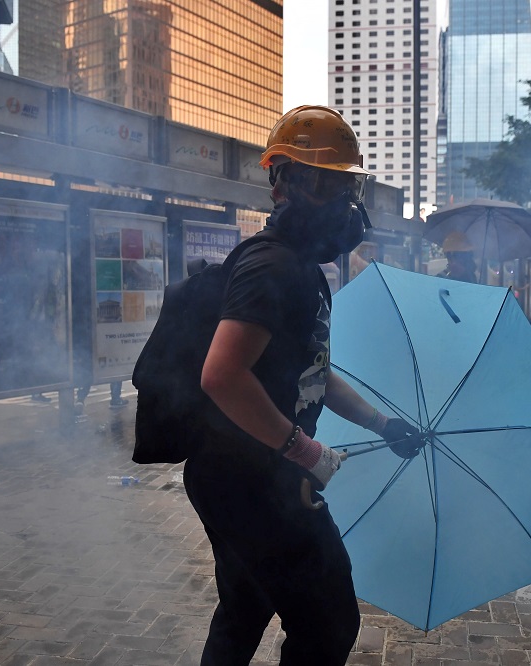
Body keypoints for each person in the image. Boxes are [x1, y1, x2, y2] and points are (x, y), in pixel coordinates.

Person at [185, 105, 419, 665]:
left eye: (344, 183)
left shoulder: (305, 268)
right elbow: (221, 374)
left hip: (249, 474)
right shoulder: (273, 268)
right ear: (280, 184)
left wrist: (382, 424)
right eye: (320, 182)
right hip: (255, 480)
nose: (339, 200)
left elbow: (311, 370)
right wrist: (304, 450)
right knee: (328, 622)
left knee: (244, 608)